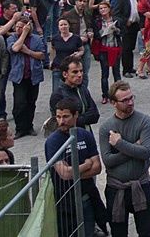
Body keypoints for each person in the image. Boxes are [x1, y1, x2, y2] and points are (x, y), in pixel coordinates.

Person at [99, 80, 150, 237]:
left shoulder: (144, 121)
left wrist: (120, 144)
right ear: (113, 103)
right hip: (116, 188)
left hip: (141, 185)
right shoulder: (106, 128)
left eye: (131, 98)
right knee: (118, 233)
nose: (130, 102)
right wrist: (134, 147)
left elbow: (145, 152)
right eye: (124, 100)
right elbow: (108, 161)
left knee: (146, 232)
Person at [47, 97, 102, 237]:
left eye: (65, 116)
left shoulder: (85, 135)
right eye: (58, 117)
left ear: (76, 115)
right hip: (65, 202)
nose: (61, 121)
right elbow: (64, 174)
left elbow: (97, 168)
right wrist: (86, 165)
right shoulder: (53, 141)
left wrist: (74, 173)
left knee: (88, 232)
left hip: (86, 197)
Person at [8, 13, 45, 138]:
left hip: (34, 75)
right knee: (19, 104)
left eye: (21, 27)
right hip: (19, 76)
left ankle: (29, 126)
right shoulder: (12, 38)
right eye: (17, 27)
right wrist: (23, 34)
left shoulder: (36, 39)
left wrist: (28, 51)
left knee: (31, 102)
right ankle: (20, 128)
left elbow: (41, 55)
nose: (18, 29)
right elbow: (14, 49)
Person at [49, 59, 99, 130]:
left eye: (81, 71)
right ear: (65, 74)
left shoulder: (83, 89)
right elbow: (62, 122)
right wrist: (83, 118)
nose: (79, 75)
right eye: (75, 72)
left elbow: (95, 115)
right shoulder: (58, 95)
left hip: (86, 132)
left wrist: (77, 118)